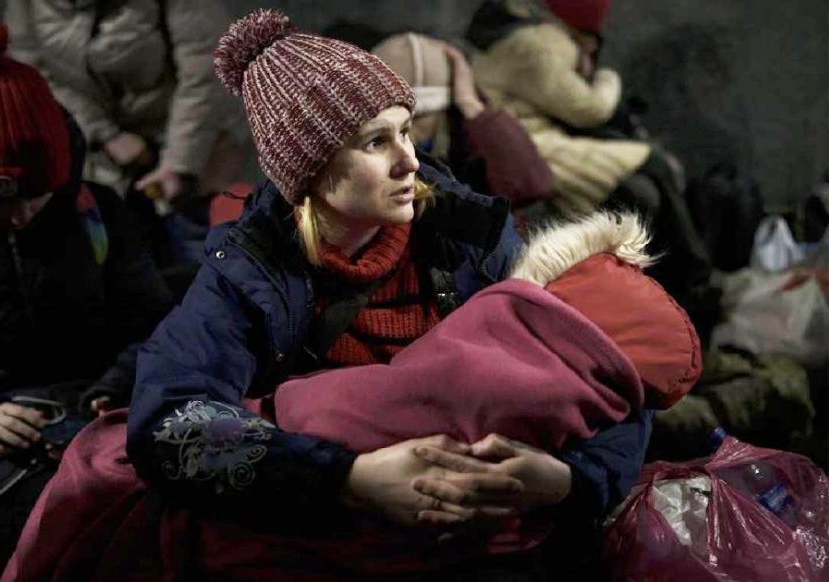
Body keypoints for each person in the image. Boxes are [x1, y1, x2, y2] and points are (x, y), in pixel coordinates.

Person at [121, 9, 652, 578]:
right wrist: (347, 479)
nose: (410, 160)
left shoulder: (470, 240)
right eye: (375, 142)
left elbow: (609, 383)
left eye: (405, 129)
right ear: (310, 167)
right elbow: (170, 423)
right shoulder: (249, 273)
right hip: (332, 550)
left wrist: (569, 481)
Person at [0, 16, 172, 580]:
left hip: (86, 425)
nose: (23, 214)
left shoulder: (96, 214)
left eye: (38, 193)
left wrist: (114, 386)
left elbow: (158, 327)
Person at [467, 0, 711, 301]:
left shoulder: (520, 34)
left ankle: (687, 278)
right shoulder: (538, 43)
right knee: (652, 165)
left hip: (533, 138)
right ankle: (694, 279)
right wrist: (608, 78)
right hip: (532, 145)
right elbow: (589, 109)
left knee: (648, 183)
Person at [3, 0, 247, 265]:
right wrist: (105, 135)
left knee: (203, 260)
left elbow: (206, 70)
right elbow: (31, 71)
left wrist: (179, 164)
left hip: (190, 141)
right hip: (101, 156)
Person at [371, 33, 553, 223]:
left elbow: (532, 186)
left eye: (422, 117)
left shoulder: (470, 134)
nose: (410, 131)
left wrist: (471, 105)